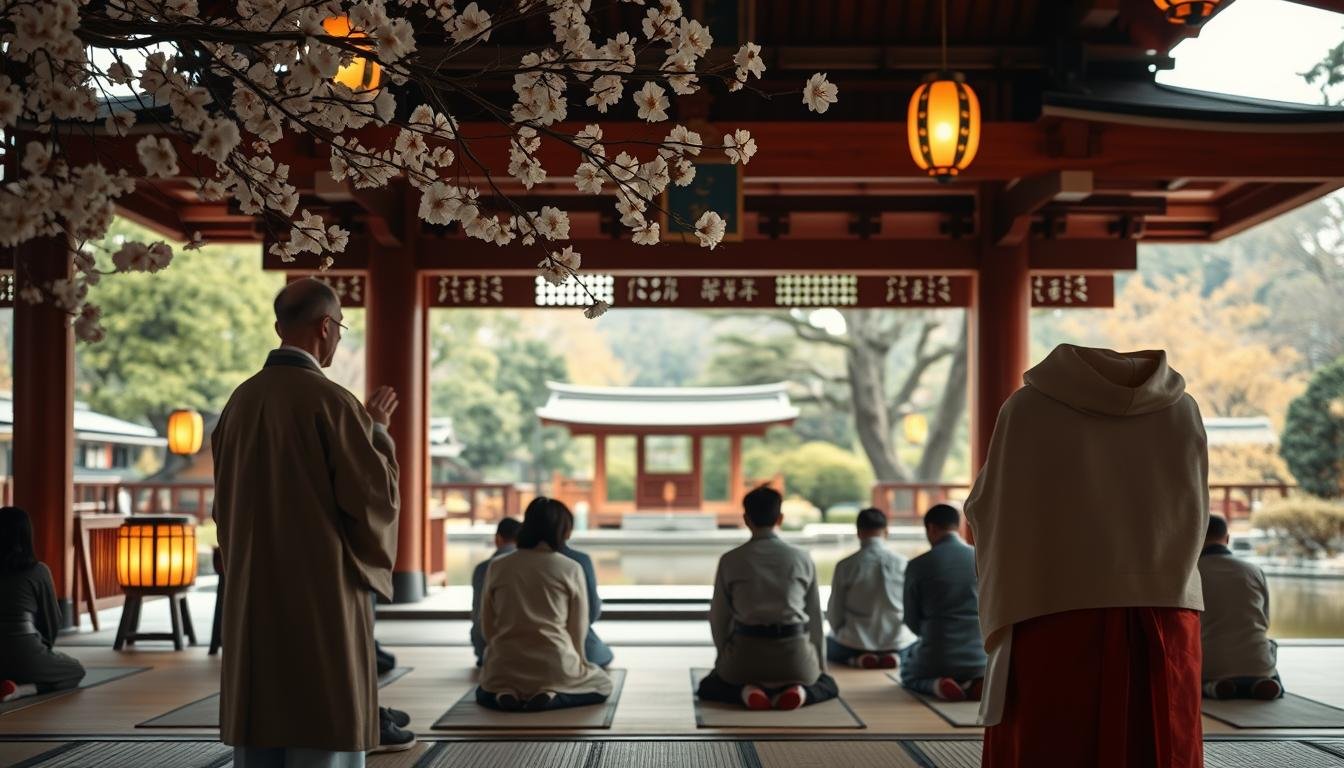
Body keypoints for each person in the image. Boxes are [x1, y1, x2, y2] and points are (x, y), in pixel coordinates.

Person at [966, 344, 1208, 768]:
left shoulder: (1027, 409)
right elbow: (1196, 508)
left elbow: (991, 508)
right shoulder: (1182, 409)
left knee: (1051, 743)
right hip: (1164, 605)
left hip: (1051, 606)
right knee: (1161, 744)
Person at [213, 278, 411, 767]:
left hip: (254, 585)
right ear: (325, 326)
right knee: (322, 710)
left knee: (263, 716)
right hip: (319, 588)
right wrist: (379, 432)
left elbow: (225, 505)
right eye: (340, 326)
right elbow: (372, 499)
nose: (340, 336)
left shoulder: (240, 402)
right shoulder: (333, 403)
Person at [697, 486, 838, 711]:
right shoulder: (802, 558)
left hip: (744, 658)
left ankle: (747, 692)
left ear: (746, 518)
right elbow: (814, 618)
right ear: (780, 518)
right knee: (829, 684)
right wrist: (819, 665)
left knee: (707, 686)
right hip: (795, 659)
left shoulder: (730, 560)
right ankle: (800, 692)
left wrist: (723, 656)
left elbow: (718, 617)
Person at [476, 498, 612, 711]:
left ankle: (503, 694)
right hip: (553, 663)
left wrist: (497, 650)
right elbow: (578, 627)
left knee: (485, 689)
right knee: (602, 684)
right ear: (562, 531)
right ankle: (552, 695)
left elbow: (488, 623)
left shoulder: (498, 566)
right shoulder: (570, 568)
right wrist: (580, 662)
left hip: (503, 664)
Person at [899, 504, 986, 701]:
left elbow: (911, 620)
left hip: (937, 655)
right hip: (981, 656)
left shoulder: (918, 565)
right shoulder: (982, 558)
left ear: (931, 528)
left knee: (906, 667)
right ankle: (972, 683)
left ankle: (936, 685)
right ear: (959, 526)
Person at [0, 507, 86, 702]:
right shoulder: (37, 571)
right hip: (26, 652)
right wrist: (44, 648)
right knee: (75, 670)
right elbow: (51, 621)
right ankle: (22, 690)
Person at [1198, 515, 1282, 700]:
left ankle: (1213, 687)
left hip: (1209, 665)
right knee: (1269, 646)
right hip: (1258, 663)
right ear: (1227, 539)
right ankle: (1260, 683)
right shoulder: (1254, 570)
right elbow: (1264, 620)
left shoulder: (1191, 572)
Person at [825, 507, 910, 669]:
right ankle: (896, 657)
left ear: (858, 532)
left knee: (827, 645)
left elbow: (835, 609)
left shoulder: (845, 565)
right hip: (895, 639)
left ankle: (857, 660)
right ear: (886, 531)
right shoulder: (903, 563)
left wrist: (838, 630)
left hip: (855, 641)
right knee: (914, 645)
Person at [558, 507, 613, 668]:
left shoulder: (501, 565)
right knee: (601, 685)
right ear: (567, 531)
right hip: (565, 646)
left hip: (511, 651)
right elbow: (591, 611)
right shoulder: (576, 563)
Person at [471, 517, 522, 666]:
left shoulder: (482, 568)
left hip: (486, 646)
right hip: (523, 647)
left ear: (498, 539)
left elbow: (477, 612)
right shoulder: (528, 566)